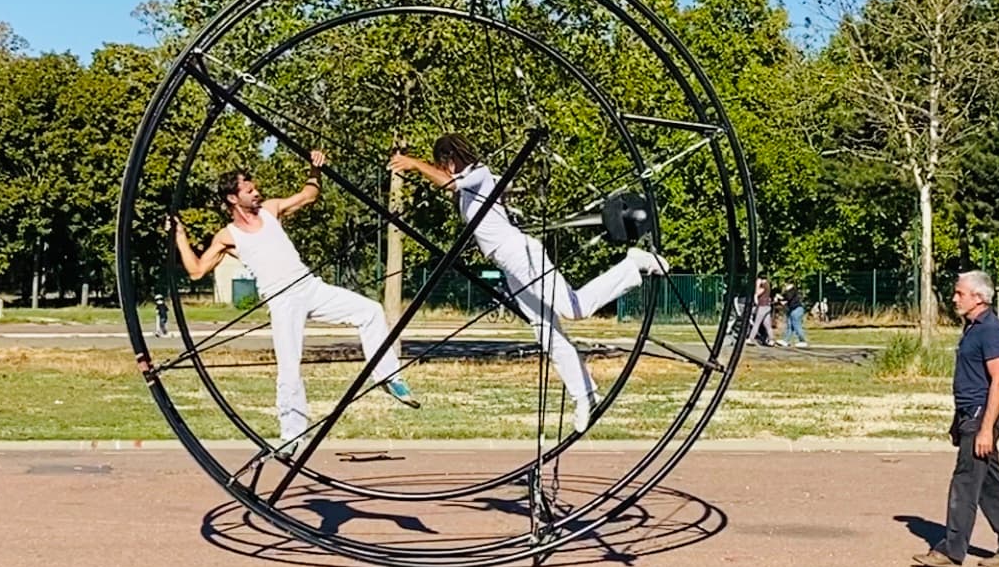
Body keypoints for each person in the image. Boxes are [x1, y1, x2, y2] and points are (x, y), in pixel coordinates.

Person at [388, 133, 668, 434]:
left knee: (574, 308)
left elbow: (450, 182)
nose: (444, 168)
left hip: (521, 254)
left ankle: (632, 264)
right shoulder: (469, 187)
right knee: (547, 333)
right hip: (510, 265)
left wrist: (414, 164)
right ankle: (585, 395)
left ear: (451, 159)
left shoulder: (478, 174)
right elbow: (451, 187)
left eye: (444, 163)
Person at [171, 150, 411, 445]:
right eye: (249, 190)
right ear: (234, 199)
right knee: (288, 368)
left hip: (310, 287)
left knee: (371, 310)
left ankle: (388, 376)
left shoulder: (271, 210)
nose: (256, 192)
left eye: (255, 187)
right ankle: (291, 435)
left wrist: (315, 170)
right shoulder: (228, 236)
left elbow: (308, 195)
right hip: (282, 301)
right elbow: (196, 271)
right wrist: (180, 237)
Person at [912, 270, 999, 567]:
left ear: (978, 297)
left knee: (965, 481)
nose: (954, 298)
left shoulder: (991, 330)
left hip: (981, 416)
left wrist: (985, 428)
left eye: (959, 293)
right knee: (990, 484)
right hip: (969, 415)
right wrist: (957, 420)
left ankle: (950, 551)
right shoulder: (972, 328)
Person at [748, 276, 775, 346]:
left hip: (762, 306)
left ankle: (751, 338)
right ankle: (771, 340)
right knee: (767, 325)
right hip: (767, 306)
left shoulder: (764, 285)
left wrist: (757, 285)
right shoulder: (768, 285)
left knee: (757, 323)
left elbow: (758, 293)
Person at [780, 280, 808, 348]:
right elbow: (786, 298)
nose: (785, 286)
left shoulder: (792, 291)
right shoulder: (790, 292)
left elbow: (788, 298)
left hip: (796, 310)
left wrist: (782, 298)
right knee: (790, 326)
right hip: (792, 310)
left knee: (797, 326)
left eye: (786, 284)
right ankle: (786, 340)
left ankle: (803, 341)